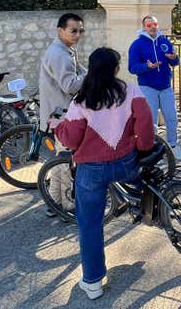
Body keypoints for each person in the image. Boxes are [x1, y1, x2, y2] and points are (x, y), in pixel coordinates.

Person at [53, 47, 155, 300]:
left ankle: (93, 281)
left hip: (92, 170)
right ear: (116, 69)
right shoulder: (131, 90)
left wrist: (58, 128)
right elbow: (145, 121)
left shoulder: (81, 101)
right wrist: (143, 147)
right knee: (143, 185)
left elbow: (73, 140)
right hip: (126, 162)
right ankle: (152, 212)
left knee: (89, 224)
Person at [40, 12, 87, 215]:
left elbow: (78, 71)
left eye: (80, 31)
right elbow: (70, 86)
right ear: (61, 30)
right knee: (66, 160)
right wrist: (90, 76)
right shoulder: (59, 54)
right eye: (73, 31)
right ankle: (67, 203)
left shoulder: (65, 49)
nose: (77, 35)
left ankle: (54, 202)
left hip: (59, 113)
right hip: (61, 115)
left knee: (62, 158)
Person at [127, 15, 181, 159]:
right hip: (147, 87)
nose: (152, 27)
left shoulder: (164, 41)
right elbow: (132, 68)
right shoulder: (137, 45)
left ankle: (173, 146)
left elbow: (175, 62)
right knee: (150, 120)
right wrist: (147, 66)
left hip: (165, 86)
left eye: (155, 24)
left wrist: (174, 58)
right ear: (144, 27)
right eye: (149, 25)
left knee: (172, 117)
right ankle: (152, 148)